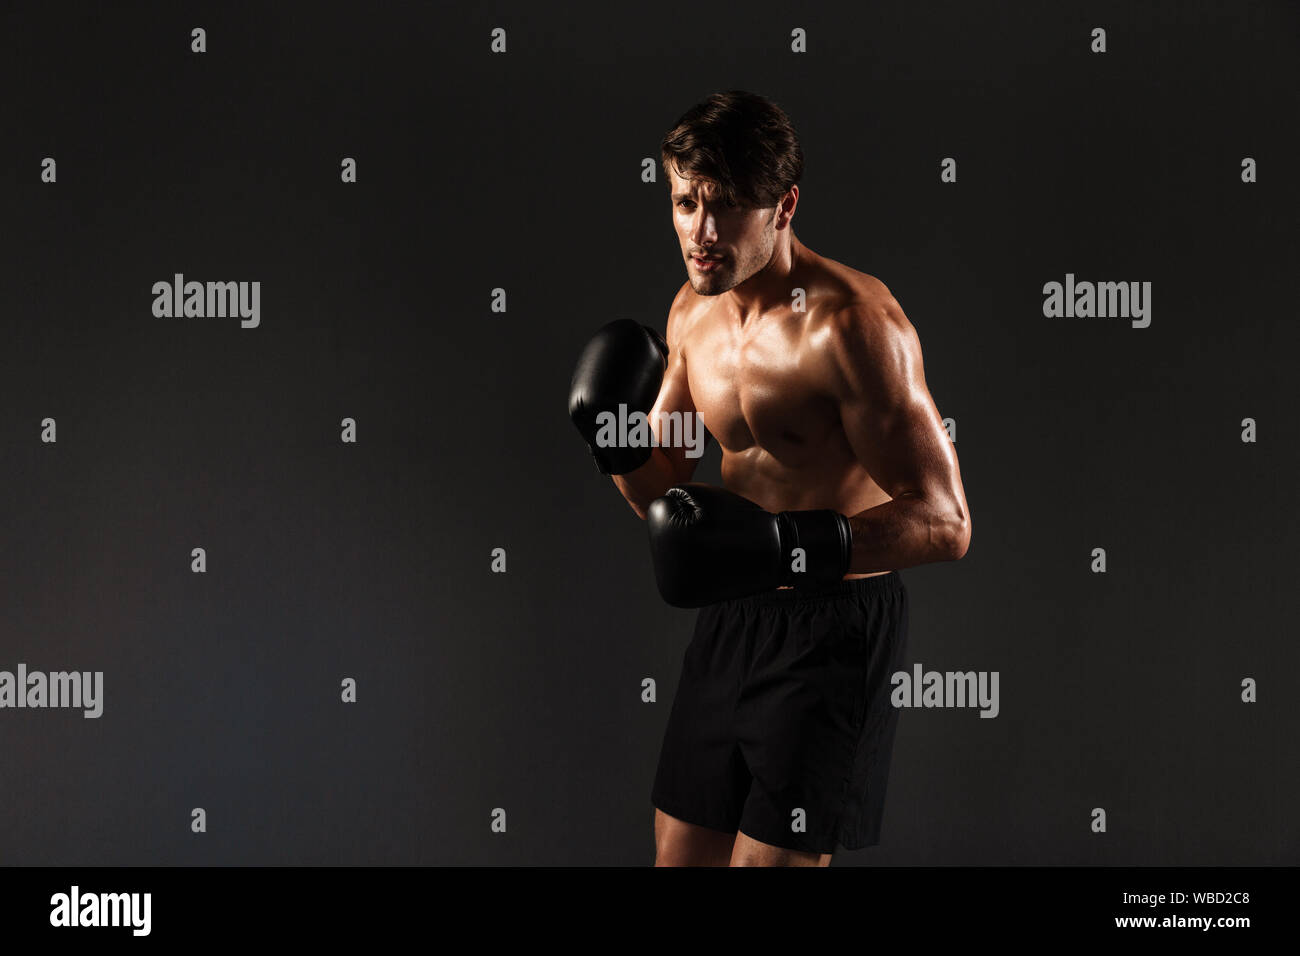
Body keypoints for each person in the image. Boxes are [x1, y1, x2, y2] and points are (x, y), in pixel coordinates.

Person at [568, 90, 971, 866]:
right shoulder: (692, 315)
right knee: (678, 860)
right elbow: (663, 493)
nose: (702, 232)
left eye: (727, 207)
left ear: (783, 206)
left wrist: (785, 543)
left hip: (833, 629)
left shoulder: (855, 326)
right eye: (685, 203)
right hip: (733, 618)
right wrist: (614, 445)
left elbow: (947, 522)